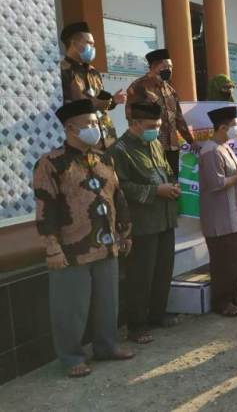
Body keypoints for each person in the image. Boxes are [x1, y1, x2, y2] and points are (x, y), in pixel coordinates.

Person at [33, 99, 134, 378]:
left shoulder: (104, 158)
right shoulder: (51, 163)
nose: (95, 128)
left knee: (108, 302)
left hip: (107, 243)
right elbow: (46, 208)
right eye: (89, 124)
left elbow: (118, 196)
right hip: (72, 249)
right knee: (70, 307)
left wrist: (125, 232)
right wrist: (52, 247)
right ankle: (71, 356)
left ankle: (107, 346)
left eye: (96, 123)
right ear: (70, 128)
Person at [109, 102, 180, 344]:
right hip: (142, 223)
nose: (156, 131)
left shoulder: (156, 144)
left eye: (159, 126)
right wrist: (155, 191)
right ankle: (136, 325)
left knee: (163, 271)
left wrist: (172, 184)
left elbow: (166, 171)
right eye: (152, 126)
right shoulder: (119, 150)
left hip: (165, 217)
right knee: (141, 276)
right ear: (135, 124)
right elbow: (121, 187)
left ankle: (157, 314)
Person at [200, 105, 237, 317]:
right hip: (219, 218)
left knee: (234, 258)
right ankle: (221, 302)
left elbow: (234, 175)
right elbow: (216, 184)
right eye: (234, 125)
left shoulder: (225, 146)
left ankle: (232, 296)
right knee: (222, 262)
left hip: (232, 214)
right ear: (222, 127)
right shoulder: (210, 151)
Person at [126, 49, 197, 175]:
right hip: (150, 145)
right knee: (155, 180)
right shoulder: (139, 86)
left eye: (170, 67)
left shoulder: (170, 90)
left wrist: (191, 140)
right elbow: (131, 117)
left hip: (172, 146)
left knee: (173, 181)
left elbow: (178, 118)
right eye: (165, 66)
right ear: (153, 67)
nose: (168, 70)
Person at [59, 21, 126, 149]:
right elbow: (63, 107)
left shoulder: (93, 72)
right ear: (74, 43)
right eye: (89, 43)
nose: (93, 48)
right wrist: (93, 104)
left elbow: (100, 101)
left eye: (93, 44)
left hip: (106, 136)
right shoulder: (62, 71)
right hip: (82, 137)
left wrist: (113, 101)